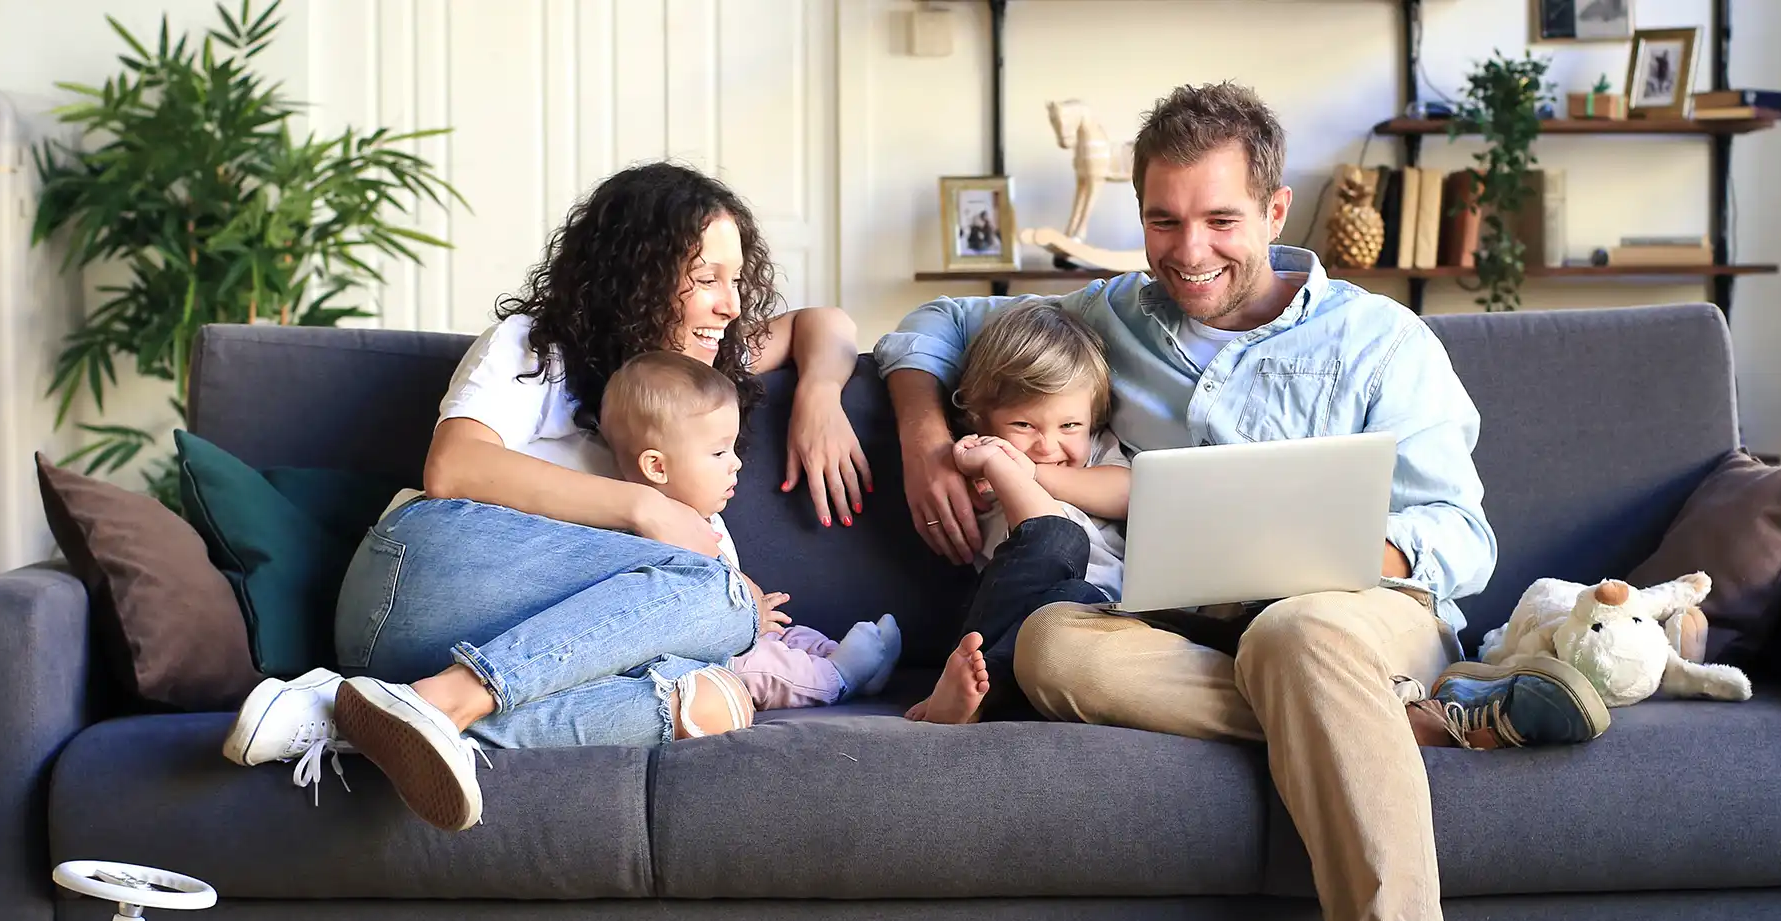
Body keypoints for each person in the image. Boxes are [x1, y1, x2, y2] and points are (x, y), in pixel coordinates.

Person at [873, 82, 1611, 921]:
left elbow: (1461, 536)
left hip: (1354, 615)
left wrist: (1324, 559)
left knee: (1295, 632)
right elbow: (938, 325)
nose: (1189, 253)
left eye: (1221, 219)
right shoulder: (1106, 316)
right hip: (1174, 624)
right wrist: (923, 438)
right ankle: (1401, 716)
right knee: (1055, 646)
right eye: (1163, 220)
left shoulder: (1383, 341)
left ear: (1273, 209)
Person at [219, 161, 875, 833]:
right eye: (706, 280)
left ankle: (352, 717)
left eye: (735, 280)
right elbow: (454, 465)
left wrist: (820, 397)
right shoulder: (535, 348)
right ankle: (446, 700)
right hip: (420, 583)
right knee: (723, 593)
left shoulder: (695, 370)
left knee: (715, 698)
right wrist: (649, 511)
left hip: (501, 653)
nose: (732, 304)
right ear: (636, 277)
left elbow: (822, 324)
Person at [597, 350, 902, 710]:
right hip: (703, 657)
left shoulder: (704, 516)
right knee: (758, 668)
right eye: (718, 453)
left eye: (733, 448)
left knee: (790, 637)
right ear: (657, 467)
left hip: (738, 630)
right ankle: (839, 678)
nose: (737, 463)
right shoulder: (646, 534)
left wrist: (754, 611)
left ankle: (857, 665)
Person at [901, 301, 1128, 724]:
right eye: (1024, 426)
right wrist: (1002, 467)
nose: (1048, 445)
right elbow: (1046, 531)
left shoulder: (1096, 451)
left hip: (1095, 620)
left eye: (1070, 426)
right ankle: (971, 694)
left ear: (1093, 417)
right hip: (1008, 618)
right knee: (1058, 545)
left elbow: (1129, 492)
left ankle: (979, 702)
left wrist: (1029, 470)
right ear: (978, 417)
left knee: (1077, 598)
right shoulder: (978, 462)